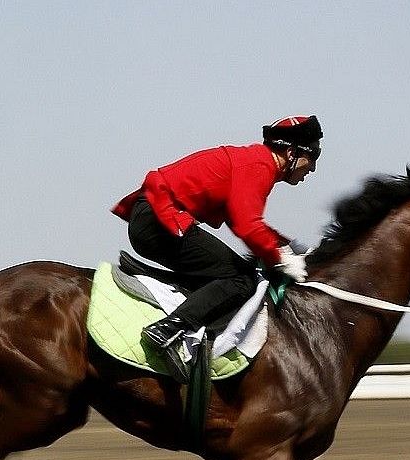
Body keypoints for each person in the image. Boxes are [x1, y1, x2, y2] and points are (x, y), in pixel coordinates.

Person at [111, 115, 322, 382]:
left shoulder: (255, 161)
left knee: (234, 272)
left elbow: (240, 219)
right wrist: (279, 257)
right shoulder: (260, 164)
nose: (313, 168)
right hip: (159, 220)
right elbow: (247, 225)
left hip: (153, 217)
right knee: (240, 278)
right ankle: (168, 330)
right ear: (291, 152)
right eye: (312, 156)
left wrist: (285, 245)